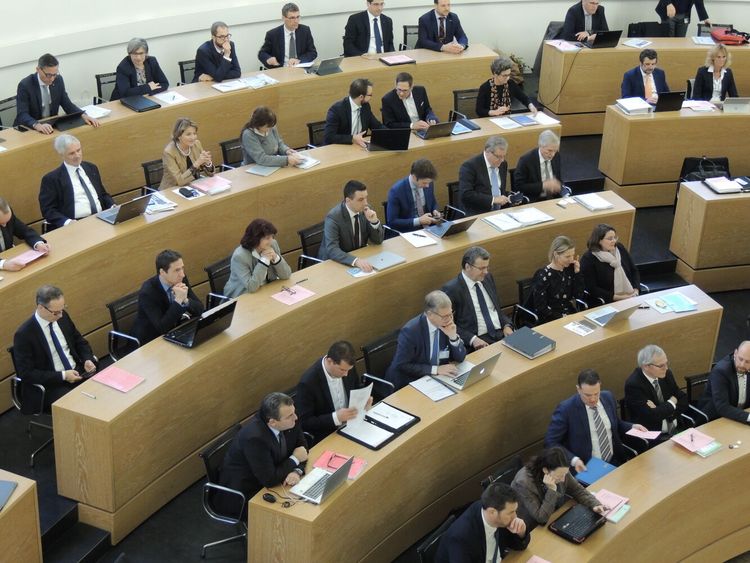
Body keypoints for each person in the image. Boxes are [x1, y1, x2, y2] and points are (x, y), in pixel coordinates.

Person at [218, 392, 308, 518]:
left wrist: (296, 471)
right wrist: (295, 459)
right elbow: (269, 479)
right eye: (290, 416)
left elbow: (302, 449)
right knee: (294, 513)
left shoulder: (290, 420)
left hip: (274, 474)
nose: (296, 417)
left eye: (294, 412)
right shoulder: (255, 438)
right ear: (273, 422)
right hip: (246, 492)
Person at [13, 285, 97, 412]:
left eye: (63, 309)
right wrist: (63, 376)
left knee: (104, 389)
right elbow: (27, 373)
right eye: (56, 312)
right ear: (41, 307)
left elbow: (80, 341)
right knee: (79, 406)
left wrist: (87, 359)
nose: (61, 315)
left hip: (78, 371)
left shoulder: (62, 317)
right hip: (51, 384)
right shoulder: (24, 334)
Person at [545, 369, 647, 471]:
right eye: (588, 395)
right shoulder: (566, 409)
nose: (593, 399)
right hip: (586, 467)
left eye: (596, 394)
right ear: (578, 389)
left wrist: (632, 426)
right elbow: (551, 442)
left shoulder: (608, 397)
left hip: (614, 461)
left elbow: (616, 424)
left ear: (600, 386)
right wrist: (574, 460)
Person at [385, 290, 467, 390]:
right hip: (408, 382)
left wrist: (453, 337)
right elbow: (402, 365)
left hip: (436, 379)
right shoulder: (411, 331)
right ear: (430, 314)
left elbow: (460, 358)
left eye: (451, 314)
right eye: (445, 316)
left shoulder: (446, 324)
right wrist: (436, 370)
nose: (449, 319)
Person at [295, 341, 371, 445]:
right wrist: (336, 418)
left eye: (348, 370)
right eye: (342, 370)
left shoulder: (347, 369)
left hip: (352, 425)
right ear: (330, 361)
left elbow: (355, 388)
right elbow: (305, 422)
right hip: (328, 434)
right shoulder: (307, 383)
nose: (346, 374)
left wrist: (363, 400)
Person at [511, 447, 606, 529]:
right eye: (559, 476)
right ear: (545, 470)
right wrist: (552, 490)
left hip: (556, 515)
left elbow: (577, 490)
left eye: (565, 474)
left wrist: (594, 504)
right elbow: (541, 518)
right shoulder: (524, 483)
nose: (563, 479)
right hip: (533, 526)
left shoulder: (561, 470)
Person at [435, 482, 529, 563]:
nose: (515, 516)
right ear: (492, 512)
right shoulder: (461, 538)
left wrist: (521, 532)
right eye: (511, 512)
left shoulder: (497, 515)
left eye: (515, 511)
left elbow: (518, 546)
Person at [442, 246, 514, 350]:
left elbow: (496, 310)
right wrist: (472, 339)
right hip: (477, 340)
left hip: (501, 333)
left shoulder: (487, 278)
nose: (486, 272)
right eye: (481, 268)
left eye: (487, 267)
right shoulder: (452, 289)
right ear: (467, 266)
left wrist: (507, 325)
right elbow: (447, 324)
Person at [39, 134, 115, 229]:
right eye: (71, 153)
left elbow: (102, 194)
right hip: (76, 224)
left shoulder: (91, 168)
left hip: (101, 218)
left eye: (78, 150)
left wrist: (112, 206)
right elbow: (48, 210)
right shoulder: (51, 179)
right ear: (62, 155)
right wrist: (67, 222)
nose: (77, 155)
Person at [131, 249, 204, 345]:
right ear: (162, 272)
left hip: (172, 333)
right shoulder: (148, 292)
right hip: (149, 340)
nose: (182, 274)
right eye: (177, 270)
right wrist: (178, 301)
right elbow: (162, 328)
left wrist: (185, 300)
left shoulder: (180, 279)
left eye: (182, 268)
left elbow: (200, 309)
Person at [14, 53, 100, 134]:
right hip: (30, 128)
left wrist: (82, 115)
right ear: (38, 70)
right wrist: (37, 125)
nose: (52, 79)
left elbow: (67, 105)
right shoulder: (25, 85)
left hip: (51, 126)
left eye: (54, 74)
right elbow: (22, 114)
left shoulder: (58, 80)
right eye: (48, 75)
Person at [318, 180, 384, 272]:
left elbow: (378, 241)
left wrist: (374, 222)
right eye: (360, 200)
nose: (365, 203)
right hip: (335, 263)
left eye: (366, 198)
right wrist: (355, 261)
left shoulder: (366, 209)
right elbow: (332, 249)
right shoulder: (333, 217)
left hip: (359, 256)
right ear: (348, 200)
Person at [624, 345, 688, 435]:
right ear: (646, 366)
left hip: (677, 428)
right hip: (653, 435)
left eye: (666, 363)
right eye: (661, 365)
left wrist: (661, 410)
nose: (666, 368)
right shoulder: (634, 385)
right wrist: (672, 402)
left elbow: (683, 398)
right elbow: (651, 416)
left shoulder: (666, 374)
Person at [223, 218, 292, 297]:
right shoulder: (240, 256)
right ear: (255, 239)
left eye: (272, 236)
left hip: (266, 290)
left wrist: (276, 258)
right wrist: (264, 261)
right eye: (267, 238)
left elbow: (286, 275)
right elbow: (251, 287)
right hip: (242, 296)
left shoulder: (273, 244)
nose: (271, 240)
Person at [530, 235, 585, 323]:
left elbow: (579, 295)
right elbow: (541, 307)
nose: (571, 259)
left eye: (573, 255)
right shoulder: (543, 275)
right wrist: (562, 317)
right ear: (556, 254)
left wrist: (577, 273)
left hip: (569, 315)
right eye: (567, 256)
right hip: (550, 318)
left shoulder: (569, 269)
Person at [580, 224, 640, 304]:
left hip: (632, 295)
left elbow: (634, 270)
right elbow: (592, 288)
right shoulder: (589, 258)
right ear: (599, 240)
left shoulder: (619, 248)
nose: (614, 241)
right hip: (606, 301)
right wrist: (620, 297)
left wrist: (636, 289)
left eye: (615, 237)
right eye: (610, 238)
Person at [698, 341, 750, 425]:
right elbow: (722, 407)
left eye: (747, 362)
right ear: (735, 353)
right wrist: (748, 417)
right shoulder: (721, 371)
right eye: (740, 359)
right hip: (714, 419)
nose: (742, 364)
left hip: (738, 416)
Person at [385, 158, 442, 234]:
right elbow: (392, 221)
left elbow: (433, 202)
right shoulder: (396, 191)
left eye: (429, 183)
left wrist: (435, 210)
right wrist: (419, 221)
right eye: (424, 183)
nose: (427, 186)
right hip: (409, 232)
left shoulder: (428, 183)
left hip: (430, 228)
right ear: (414, 177)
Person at [459, 136, 512, 216]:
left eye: (504, 156)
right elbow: (466, 194)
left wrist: (510, 198)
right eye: (498, 156)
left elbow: (499, 190)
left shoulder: (503, 164)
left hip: (500, 212)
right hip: (478, 212)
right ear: (487, 151)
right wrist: (493, 200)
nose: (502, 160)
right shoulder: (470, 166)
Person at [323, 78, 384, 147]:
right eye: (370, 95)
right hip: (340, 147)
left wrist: (391, 133)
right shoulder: (336, 109)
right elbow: (329, 137)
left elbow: (377, 126)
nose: (371, 97)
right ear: (361, 97)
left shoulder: (365, 106)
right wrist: (352, 138)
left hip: (358, 147)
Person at [160, 117, 215, 189]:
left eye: (194, 133)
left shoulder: (196, 144)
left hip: (194, 185)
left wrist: (208, 163)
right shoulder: (169, 152)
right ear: (179, 135)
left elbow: (210, 174)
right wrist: (198, 163)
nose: (193, 137)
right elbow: (180, 181)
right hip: (172, 188)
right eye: (188, 134)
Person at [239, 106, 303, 167]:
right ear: (258, 124)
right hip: (252, 168)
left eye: (272, 126)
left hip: (271, 166)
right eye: (267, 127)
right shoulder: (248, 135)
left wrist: (286, 150)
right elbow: (261, 159)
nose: (270, 128)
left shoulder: (271, 127)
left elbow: (279, 143)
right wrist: (286, 160)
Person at [258, 3, 317, 69]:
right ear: (283, 18)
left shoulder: (305, 30)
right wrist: (268, 59)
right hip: (281, 69)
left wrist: (299, 60)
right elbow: (262, 53)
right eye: (292, 18)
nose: (296, 21)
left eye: (298, 17)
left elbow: (312, 52)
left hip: (300, 68)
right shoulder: (273, 34)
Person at [513, 129, 564, 203]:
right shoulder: (526, 160)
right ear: (540, 146)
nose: (552, 154)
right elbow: (519, 186)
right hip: (534, 200)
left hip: (554, 198)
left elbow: (559, 178)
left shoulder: (557, 156)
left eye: (555, 151)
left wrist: (558, 185)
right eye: (549, 150)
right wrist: (543, 185)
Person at [0, 197, 50, 271]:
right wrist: (3, 264)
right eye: (1, 223)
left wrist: (38, 244)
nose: (4, 226)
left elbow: (25, 231)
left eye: (7, 222)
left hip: (9, 257)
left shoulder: (6, 215)